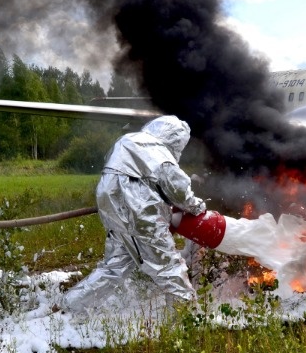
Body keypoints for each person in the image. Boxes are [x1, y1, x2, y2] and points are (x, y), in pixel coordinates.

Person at [62, 115, 207, 315]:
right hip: (138, 211)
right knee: (169, 268)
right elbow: (179, 190)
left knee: (114, 267)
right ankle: (188, 319)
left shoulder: (127, 140)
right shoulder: (159, 152)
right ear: (174, 139)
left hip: (111, 206)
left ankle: (69, 308)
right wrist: (198, 207)